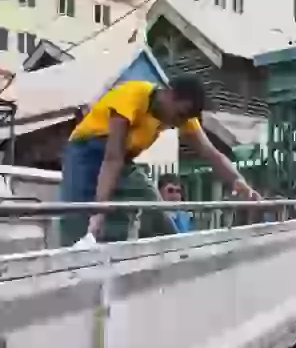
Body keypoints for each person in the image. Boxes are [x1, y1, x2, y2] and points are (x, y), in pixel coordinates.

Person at [60, 76, 258, 246]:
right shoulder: (131, 98)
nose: (179, 124)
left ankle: (174, 257)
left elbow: (211, 153)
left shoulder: (183, 116)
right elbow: (112, 158)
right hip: (86, 154)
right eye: (180, 115)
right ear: (169, 94)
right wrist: (99, 210)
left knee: (152, 205)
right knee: (78, 220)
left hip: (122, 161)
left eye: (184, 119)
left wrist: (237, 181)